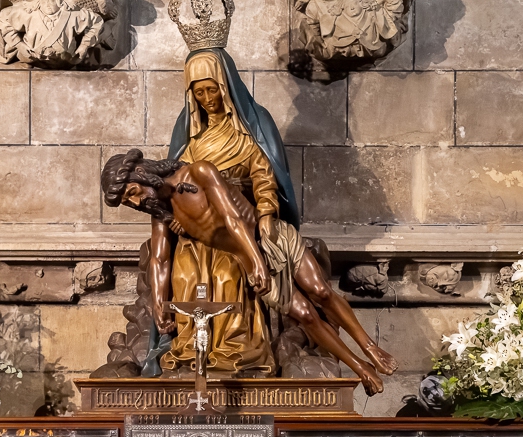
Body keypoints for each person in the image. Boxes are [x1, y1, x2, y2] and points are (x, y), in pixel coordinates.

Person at [101, 149, 397, 394]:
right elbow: (160, 259)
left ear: (142, 173)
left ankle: (370, 347)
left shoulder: (198, 173)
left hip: (269, 239)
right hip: (246, 258)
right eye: (129, 203)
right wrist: (158, 304)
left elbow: (233, 219)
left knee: (320, 291)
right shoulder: (161, 214)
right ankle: (360, 368)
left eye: (133, 192)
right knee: (305, 315)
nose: (137, 202)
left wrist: (257, 261)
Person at [160, 49, 300, 375]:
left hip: (235, 228)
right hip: (198, 232)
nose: (208, 99)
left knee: (228, 278)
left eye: (212, 89)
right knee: (185, 278)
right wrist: (176, 218)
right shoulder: (191, 140)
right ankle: (191, 350)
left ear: (225, 87)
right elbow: (174, 185)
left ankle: (234, 348)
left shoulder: (248, 133)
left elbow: (264, 178)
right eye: (200, 92)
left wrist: (266, 215)